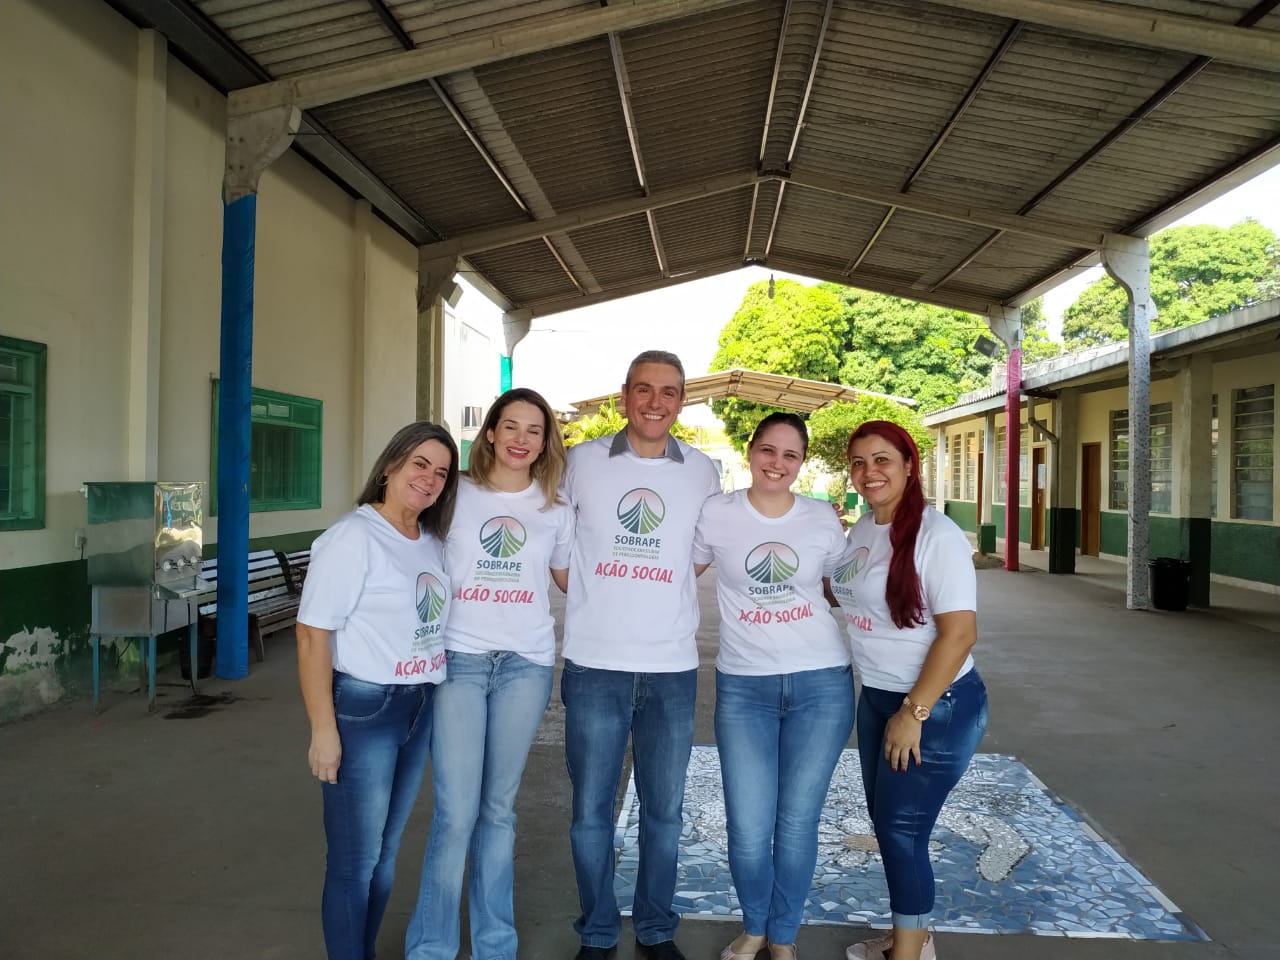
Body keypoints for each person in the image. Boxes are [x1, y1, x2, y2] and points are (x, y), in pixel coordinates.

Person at [560, 350, 722, 960]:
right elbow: (558, 548)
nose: (656, 402)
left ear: (682, 401)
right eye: (645, 389)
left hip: (671, 669)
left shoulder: (702, 472)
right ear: (624, 395)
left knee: (665, 813)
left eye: (669, 392)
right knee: (590, 812)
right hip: (594, 665)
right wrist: (599, 594)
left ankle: (656, 928)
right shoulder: (580, 462)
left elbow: (698, 555)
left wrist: (654, 590)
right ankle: (598, 931)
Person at [405, 389, 573, 960]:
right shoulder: (454, 495)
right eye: (511, 426)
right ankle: (431, 947)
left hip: (526, 664)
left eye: (534, 429)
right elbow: (408, 550)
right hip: (459, 659)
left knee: (498, 810)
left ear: (545, 442)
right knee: (456, 812)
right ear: (492, 433)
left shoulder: (556, 510)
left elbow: (573, 581)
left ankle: (495, 946)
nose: (522, 439)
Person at [691, 413, 853, 960]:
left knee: (798, 822)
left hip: (821, 684)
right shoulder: (717, 513)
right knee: (746, 825)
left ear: (801, 463)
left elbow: (842, 587)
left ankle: (783, 937)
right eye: (767, 450)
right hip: (744, 689)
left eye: (790, 455)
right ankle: (754, 926)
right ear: (750, 451)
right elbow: (679, 573)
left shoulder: (821, 518)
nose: (777, 463)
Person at [296, 421, 459, 960]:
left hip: (418, 704)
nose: (429, 478)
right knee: (354, 863)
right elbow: (312, 634)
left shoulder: (430, 541)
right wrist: (324, 731)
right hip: (366, 709)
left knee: (383, 857)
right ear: (390, 466)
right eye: (419, 464)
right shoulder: (354, 537)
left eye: (441, 472)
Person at [828, 421, 988, 960]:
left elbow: (960, 633)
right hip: (877, 696)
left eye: (882, 460)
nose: (868, 472)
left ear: (908, 466)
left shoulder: (936, 535)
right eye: (858, 462)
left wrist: (913, 712)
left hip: (934, 705)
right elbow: (850, 593)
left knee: (901, 831)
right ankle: (912, 936)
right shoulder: (863, 528)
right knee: (890, 826)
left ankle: (910, 953)